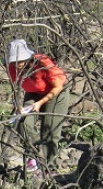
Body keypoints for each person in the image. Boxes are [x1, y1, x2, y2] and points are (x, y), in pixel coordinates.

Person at [6, 39, 69, 169]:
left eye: (21, 60)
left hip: (55, 93)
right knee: (23, 123)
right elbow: (16, 89)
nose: (18, 64)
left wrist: (41, 103)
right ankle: (34, 155)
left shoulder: (43, 63)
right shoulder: (12, 67)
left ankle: (48, 166)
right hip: (34, 92)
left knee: (49, 129)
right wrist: (19, 106)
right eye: (15, 61)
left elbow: (57, 87)